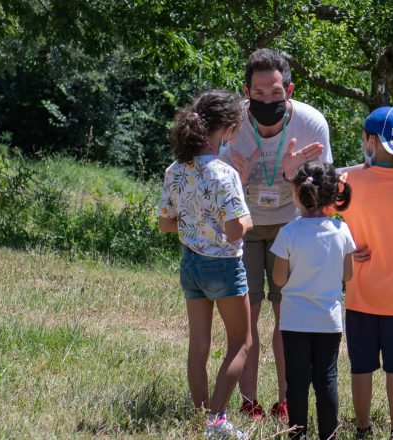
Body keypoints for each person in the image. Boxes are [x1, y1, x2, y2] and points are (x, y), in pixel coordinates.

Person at [221, 48, 332, 423]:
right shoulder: (230, 124)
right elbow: (217, 187)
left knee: (288, 318)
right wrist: (241, 176)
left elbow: (323, 194)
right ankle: (249, 401)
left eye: (275, 93)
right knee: (246, 318)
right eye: (258, 93)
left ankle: (286, 399)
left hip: (292, 224)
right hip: (245, 224)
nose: (267, 100)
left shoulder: (312, 123)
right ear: (245, 89)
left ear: (289, 89)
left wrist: (291, 175)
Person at [158, 89, 253, 439]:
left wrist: (193, 221)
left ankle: (201, 421)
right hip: (224, 268)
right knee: (241, 343)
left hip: (191, 265)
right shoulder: (224, 174)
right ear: (227, 129)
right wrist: (248, 221)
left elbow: (165, 224)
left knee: (198, 346)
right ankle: (217, 420)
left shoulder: (174, 169)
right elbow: (233, 230)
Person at [339, 107, 393, 440]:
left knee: (361, 367)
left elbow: (329, 205)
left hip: (360, 293)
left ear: (371, 141)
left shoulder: (350, 183)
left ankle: (362, 429)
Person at [270, 161, 356, 440]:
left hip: (294, 319)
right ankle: (328, 435)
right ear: (331, 194)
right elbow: (348, 274)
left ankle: (297, 434)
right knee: (326, 378)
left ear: (296, 193)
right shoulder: (341, 231)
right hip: (328, 321)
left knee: (297, 381)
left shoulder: (288, 233)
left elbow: (279, 279)